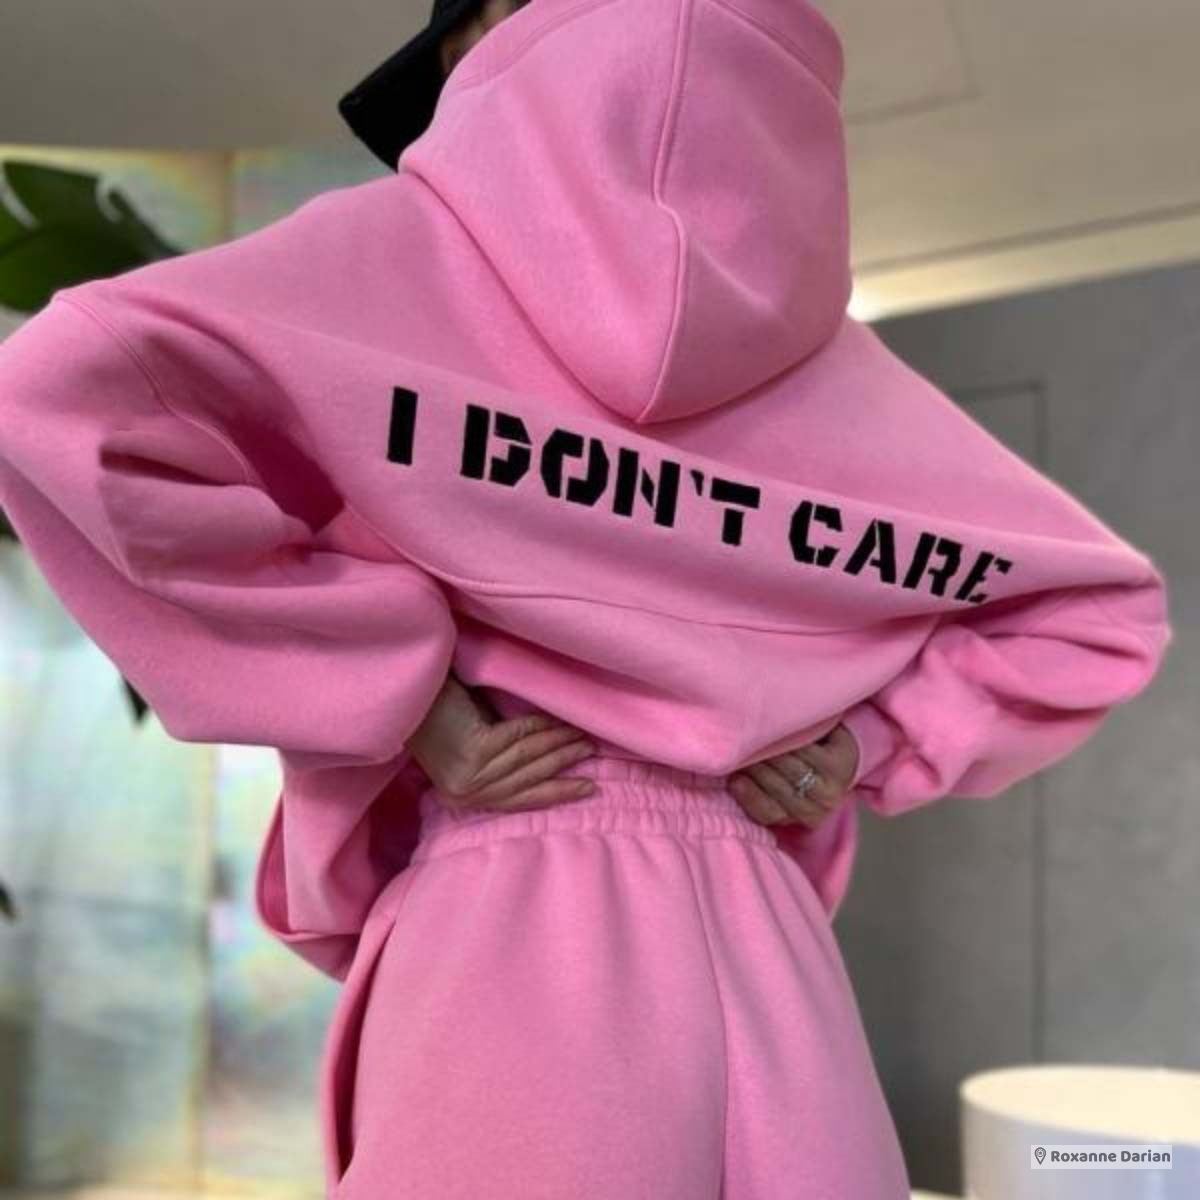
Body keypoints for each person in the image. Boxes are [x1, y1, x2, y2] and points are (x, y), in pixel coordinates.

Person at [0, 0, 1172, 1196]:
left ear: (491, 32)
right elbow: (1098, 617)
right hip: (759, 917)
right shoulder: (837, 371)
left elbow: (59, 398)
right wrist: (866, 741)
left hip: (508, 880)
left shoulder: (395, 262)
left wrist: (405, 699)